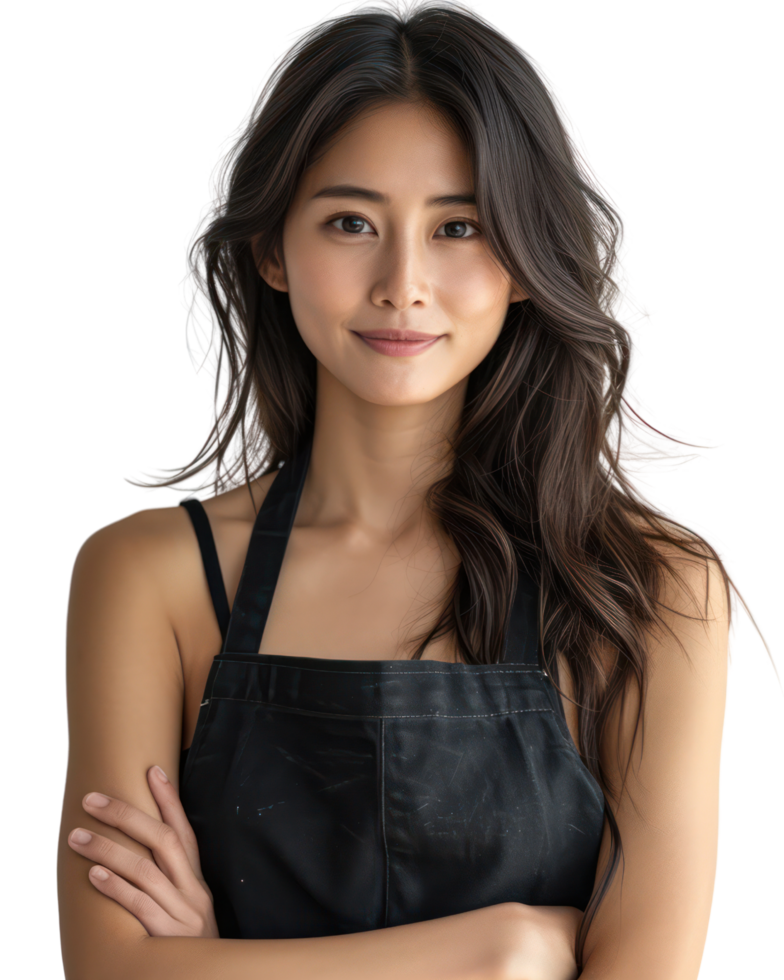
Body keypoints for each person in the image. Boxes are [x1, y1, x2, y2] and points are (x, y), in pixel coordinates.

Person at [58, 2, 778, 979]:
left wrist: (206, 962)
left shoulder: (652, 588)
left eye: (460, 226)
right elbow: (106, 968)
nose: (403, 282)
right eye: (351, 221)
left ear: (525, 260)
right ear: (273, 250)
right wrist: (503, 950)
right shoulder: (146, 575)